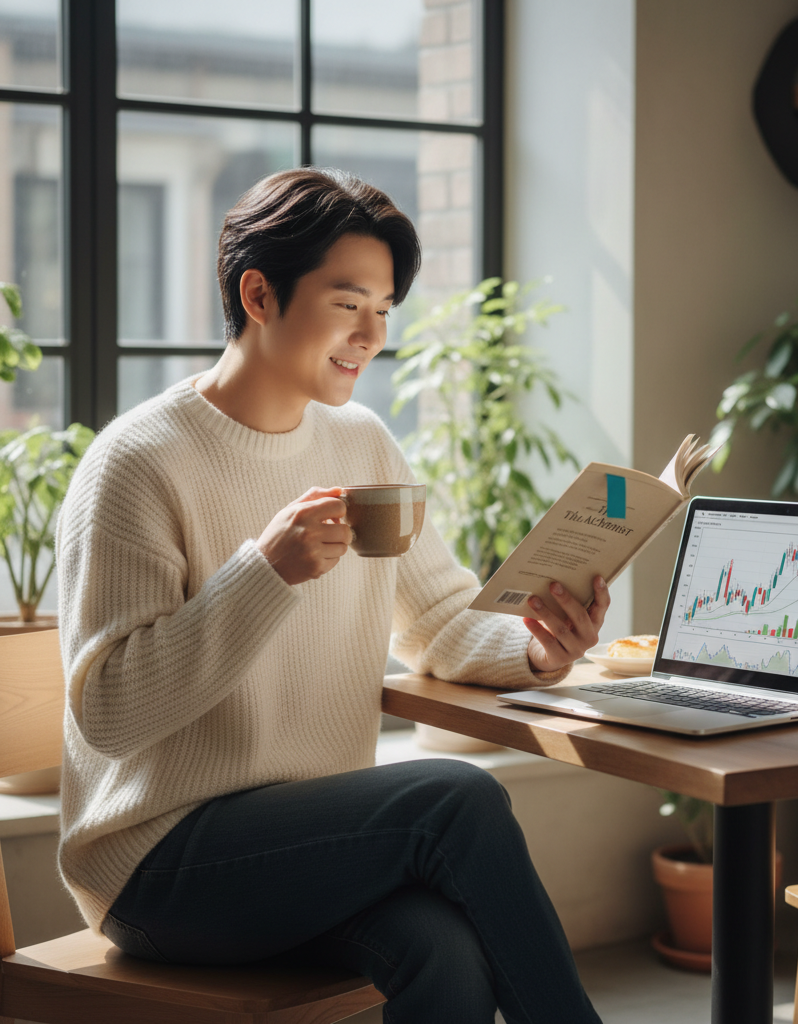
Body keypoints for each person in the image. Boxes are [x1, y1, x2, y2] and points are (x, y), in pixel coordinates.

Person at [55, 168, 609, 1024]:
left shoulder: (362, 444)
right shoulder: (139, 463)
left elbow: (440, 622)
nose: (371, 335)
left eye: (385, 309)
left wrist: (539, 648)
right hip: (158, 864)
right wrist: (262, 575)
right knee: (455, 798)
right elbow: (108, 715)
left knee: (447, 951)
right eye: (349, 303)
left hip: (313, 846)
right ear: (260, 294)